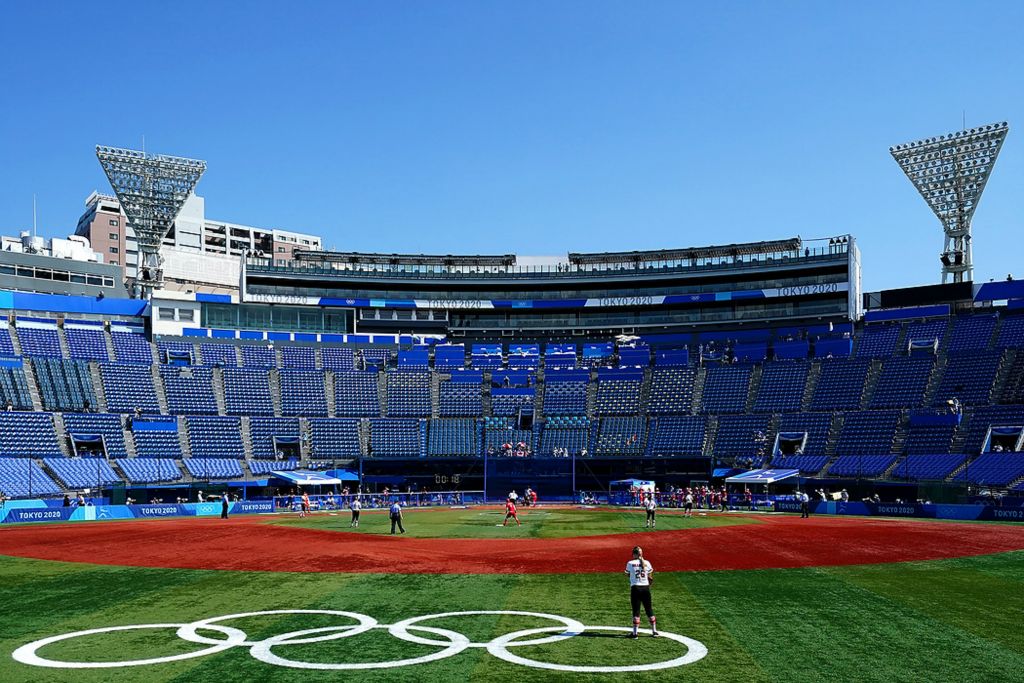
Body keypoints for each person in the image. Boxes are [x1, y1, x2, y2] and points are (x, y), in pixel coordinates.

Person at [625, 546, 658, 639]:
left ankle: (635, 634)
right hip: (646, 588)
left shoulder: (630, 563)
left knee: (636, 611)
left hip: (636, 588)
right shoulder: (647, 562)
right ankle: (654, 631)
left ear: (634, 554)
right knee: (649, 609)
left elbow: (627, 574)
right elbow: (650, 576)